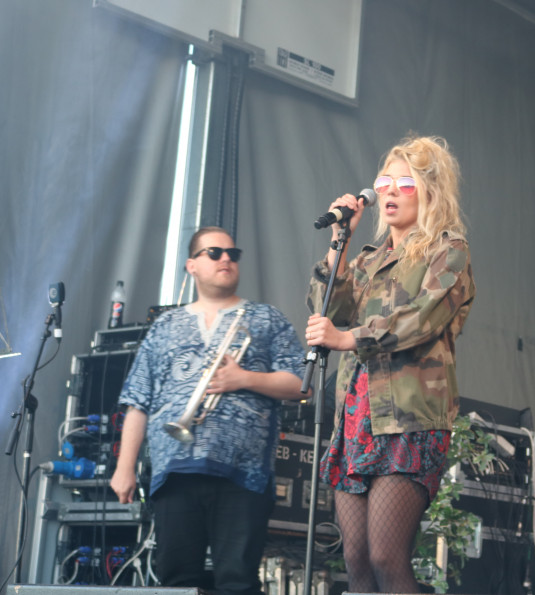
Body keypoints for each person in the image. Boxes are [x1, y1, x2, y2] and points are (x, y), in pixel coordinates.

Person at [304, 134, 475, 593]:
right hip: (357, 418)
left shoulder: (449, 250)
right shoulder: (367, 260)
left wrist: (349, 338)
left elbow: (421, 319)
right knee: (357, 561)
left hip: (409, 419)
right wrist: (340, 242)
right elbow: (326, 309)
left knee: (386, 556)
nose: (391, 191)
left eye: (406, 183)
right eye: (384, 183)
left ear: (430, 191)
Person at [110, 226, 307, 594]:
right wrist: (124, 467)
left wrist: (244, 378)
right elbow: (138, 400)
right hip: (174, 471)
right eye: (215, 253)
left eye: (233, 254)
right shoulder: (165, 326)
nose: (226, 259)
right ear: (192, 265)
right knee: (177, 583)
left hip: (244, 473)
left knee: (238, 582)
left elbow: (300, 383)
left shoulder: (266, 319)